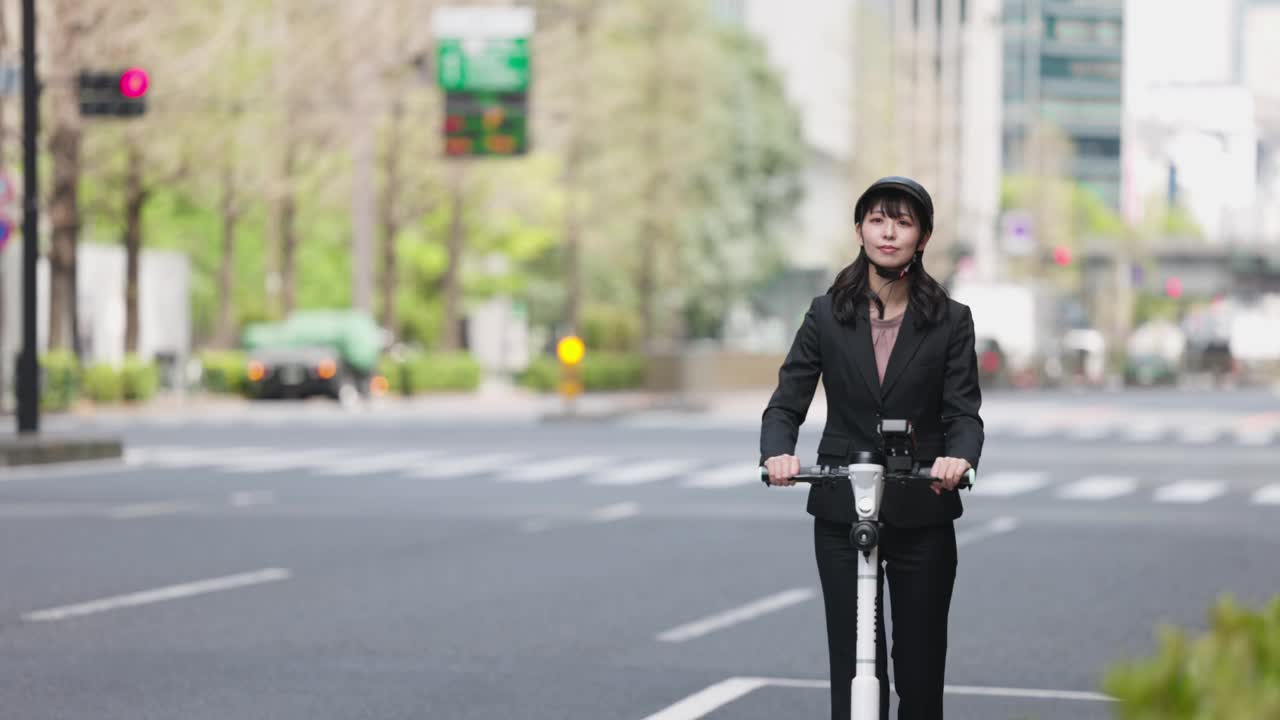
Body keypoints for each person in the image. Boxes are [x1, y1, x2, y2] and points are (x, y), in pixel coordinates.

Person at [759, 176, 984, 720]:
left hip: (921, 504)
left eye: (903, 222)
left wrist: (959, 459)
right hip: (843, 505)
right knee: (857, 661)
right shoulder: (824, 315)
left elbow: (963, 414)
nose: (889, 232)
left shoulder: (951, 320)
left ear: (923, 236)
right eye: (879, 219)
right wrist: (778, 454)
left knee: (920, 667)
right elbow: (787, 402)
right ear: (859, 229)